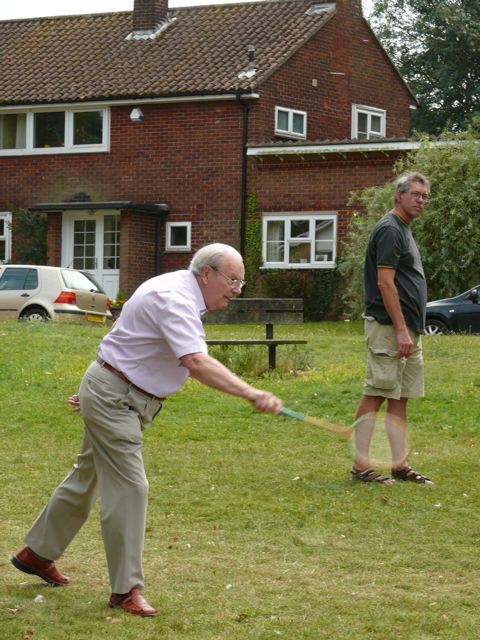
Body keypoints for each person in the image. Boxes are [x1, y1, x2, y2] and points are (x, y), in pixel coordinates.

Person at [11, 243, 282, 617]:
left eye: (241, 281)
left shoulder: (175, 287)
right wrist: (252, 393)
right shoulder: (174, 298)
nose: (238, 289)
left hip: (111, 390)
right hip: (116, 398)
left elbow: (132, 338)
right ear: (207, 274)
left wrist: (96, 388)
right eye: (233, 280)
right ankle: (125, 589)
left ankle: (36, 553)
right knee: (130, 487)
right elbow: (196, 362)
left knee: (86, 477)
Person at [350, 172, 433, 485]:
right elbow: (385, 284)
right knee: (377, 393)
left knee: (401, 397)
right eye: (415, 193)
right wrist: (400, 329)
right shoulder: (389, 229)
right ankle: (360, 467)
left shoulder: (404, 229)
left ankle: (400, 464)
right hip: (388, 328)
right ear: (399, 195)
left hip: (408, 328)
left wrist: (408, 329)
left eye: (424, 195)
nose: (420, 199)